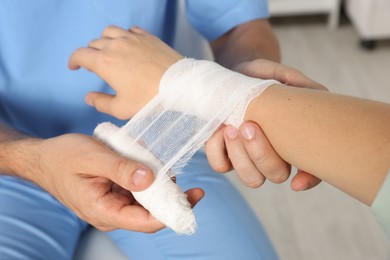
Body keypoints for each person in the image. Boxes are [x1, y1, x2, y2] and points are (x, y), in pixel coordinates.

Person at [0, 1, 311, 259]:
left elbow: (238, 26)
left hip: (162, 147)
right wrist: (33, 160)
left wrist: (235, 87)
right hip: (14, 160)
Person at [68, 26, 390, 237]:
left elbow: (243, 26)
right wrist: (193, 84)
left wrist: (203, 81)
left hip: (165, 159)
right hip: (27, 171)